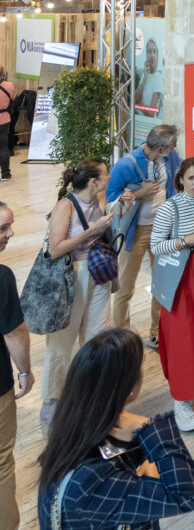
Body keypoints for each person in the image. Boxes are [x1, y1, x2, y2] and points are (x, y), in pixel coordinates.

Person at [37, 329, 194, 529]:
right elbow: (189, 494)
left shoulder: (77, 433)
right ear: (130, 385)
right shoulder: (92, 482)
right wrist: (149, 428)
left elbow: (125, 467)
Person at [40, 160, 128, 428]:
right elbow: (55, 249)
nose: (109, 176)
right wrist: (92, 230)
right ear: (93, 181)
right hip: (70, 277)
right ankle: (53, 406)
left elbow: (105, 227)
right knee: (60, 346)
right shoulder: (64, 206)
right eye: (105, 174)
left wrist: (122, 207)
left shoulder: (100, 198)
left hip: (98, 274)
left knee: (97, 339)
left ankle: (93, 400)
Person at [149, 157, 194, 432]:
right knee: (183, 337)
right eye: (190, 178)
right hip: (182, 277)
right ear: (180, 179)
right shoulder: (170, 208)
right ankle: (180, 401)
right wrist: (187, 240)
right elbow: (156, 246)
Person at [106, 124, 182, 347]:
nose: (176, 147)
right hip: (135, 231)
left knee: (162, 282)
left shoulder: (170, 157)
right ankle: (121, 337)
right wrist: (140, 193)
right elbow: (110, 199)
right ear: (161, 148)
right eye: (173, 144)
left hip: (163, 229)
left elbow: (177, 178)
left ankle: (157, 331)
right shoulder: (125, 165)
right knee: (125, 287)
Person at [0, 202, 32, 527]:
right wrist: (25, 371)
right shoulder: (1, 277)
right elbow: (14, 332)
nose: (10, 234)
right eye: (2, 229)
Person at [0, 69, 13, 181]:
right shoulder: (9, 85)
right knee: (3, 147)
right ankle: (5, 174)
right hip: (4, 119)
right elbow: (14, 98)